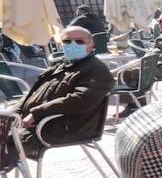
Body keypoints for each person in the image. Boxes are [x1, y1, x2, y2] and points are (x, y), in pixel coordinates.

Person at [6, 26, 113, 162]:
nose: (72, 45)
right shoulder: (60, 65)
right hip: (37, 123)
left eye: (79, 41)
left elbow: (79, 101)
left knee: (5, 146)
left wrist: (36, 113)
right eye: (67, 41)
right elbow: (33, 92)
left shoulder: (97, 69)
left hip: (62, 127)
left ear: (91, 44)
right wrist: (13, 113)